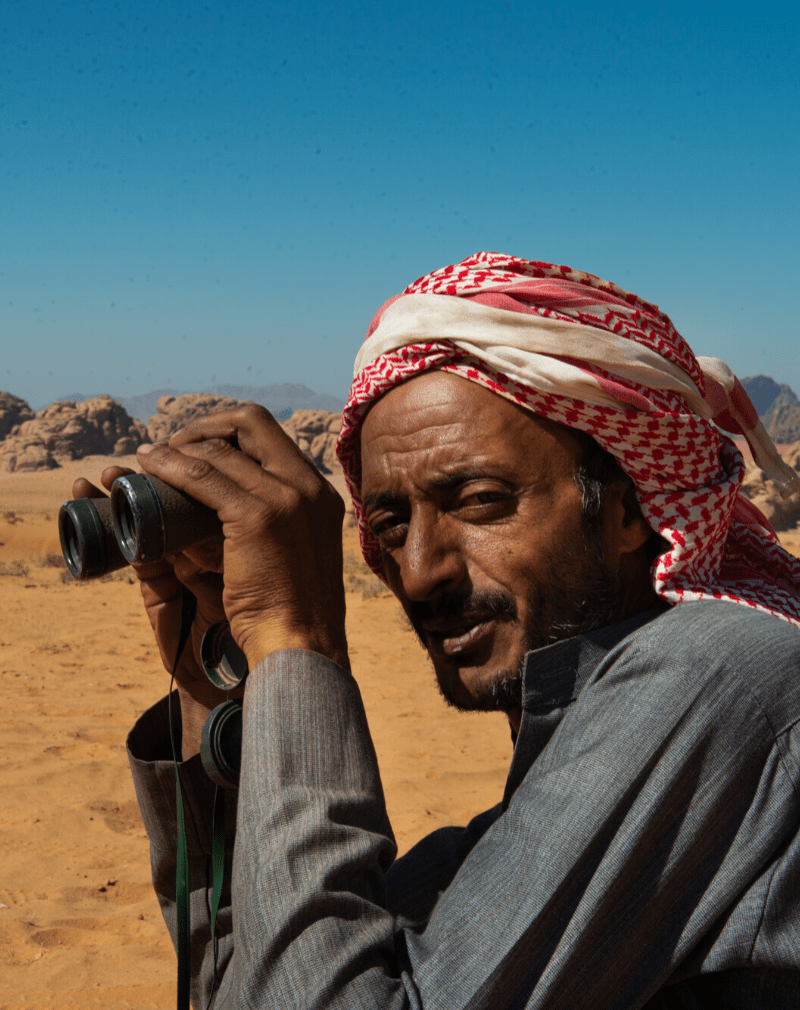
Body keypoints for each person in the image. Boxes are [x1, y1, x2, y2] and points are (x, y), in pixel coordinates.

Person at [80, 253, 800, 1007]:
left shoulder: (715, 674)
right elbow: (246, 986)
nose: (419, 572)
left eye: (480, 501)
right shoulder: (513, 828)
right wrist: (220, 685)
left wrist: (299, 646)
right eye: (389, 522)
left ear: (627, 511)